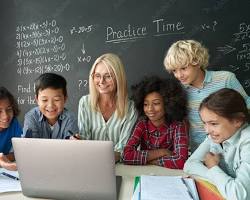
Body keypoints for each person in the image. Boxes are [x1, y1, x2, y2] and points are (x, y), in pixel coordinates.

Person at [164, 39, 250, 152]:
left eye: (184, 68)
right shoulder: (178, 91)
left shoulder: (226, 79)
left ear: (197, 61)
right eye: (174, 71)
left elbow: (247, 106)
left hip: (232, 148)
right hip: (199, 149)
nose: (179, 75)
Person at [184, 88, 250, 200]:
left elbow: (238, 195)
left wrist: (213, 167)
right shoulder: (216, 136)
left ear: (237, 120)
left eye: (214, 124)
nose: (207, 130)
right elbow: (189, 165)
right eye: (204, 123)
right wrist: (221, 179)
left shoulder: (247, 142)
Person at [78, 53, 137, 162]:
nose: (101, 82)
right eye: (97, 76)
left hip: (118, 167)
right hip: (89, 163)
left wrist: (102, 158)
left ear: (118, 77)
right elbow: (84, 139)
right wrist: (78, 140)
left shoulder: (130, 108)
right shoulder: (85, 103)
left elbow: (123, 148)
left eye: (108, 76)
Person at [122, 76, 189, 169]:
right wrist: (162, 152)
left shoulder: (177, 125)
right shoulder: (142, 124)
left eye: (156, 103)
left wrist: (152, 161)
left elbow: (182, 161)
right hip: (146, 173)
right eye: (146, 104)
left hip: (171, 175)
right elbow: (126, 156)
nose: (150, 109)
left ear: (167, 104)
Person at [23, 73, 79, 139]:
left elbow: (69, 144)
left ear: (65, 99)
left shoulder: (70, 119)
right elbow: (30, 143)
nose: (50, 105)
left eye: (56, 99)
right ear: (37, 99)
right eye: (44, 100)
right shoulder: (32, 117)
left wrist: (73, 141)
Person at [0, 87, 22, 171]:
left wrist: (3, 159)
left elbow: (21, 151)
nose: (5, 116)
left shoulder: (14, 123)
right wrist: (2, 162)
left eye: (9, 109)